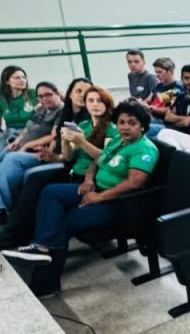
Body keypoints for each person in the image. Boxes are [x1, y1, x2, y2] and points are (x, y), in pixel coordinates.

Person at [2, 101, 160, 297]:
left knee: (63, 222)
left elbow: (134, 183)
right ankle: (41, 247)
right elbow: (99, 159)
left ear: (142, 126)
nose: (126, 127)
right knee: (51, 192)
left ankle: (45, 283)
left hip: (117, 202)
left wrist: (98, 197)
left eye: (132, 123)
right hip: (95, 188)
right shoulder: (119, 140)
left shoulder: (144, 149)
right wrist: (88, 179)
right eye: (122, 122)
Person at [0, 82, 63, 220]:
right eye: (40, 96)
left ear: (57, 93)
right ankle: (2, 207)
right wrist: (17, 141)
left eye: (48, 94)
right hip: (24, 147)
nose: (44, 98)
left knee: (11, 159)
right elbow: (28, 129)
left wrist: (27, 145)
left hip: (39, 153)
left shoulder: (61, 111)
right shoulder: (41, 110)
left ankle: (6, 209)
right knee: (3, 155)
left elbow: (53, 136)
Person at [148, 64, 190, 140]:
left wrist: (174, 119)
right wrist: (182, 119)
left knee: (151, 138)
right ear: (182, 79)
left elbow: (187, 123)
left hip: (184, 134)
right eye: (187, 78)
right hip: (168, 128)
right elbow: (167, 117)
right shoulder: (180, 95)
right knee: (144, 128)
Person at [0, 66, 36, 152]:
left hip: (30, 133)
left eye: (24, 77)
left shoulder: (34, 94)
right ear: (7, 81)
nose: (22, 80)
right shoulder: (2, 99)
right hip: (9, 133)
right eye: (17, 78)